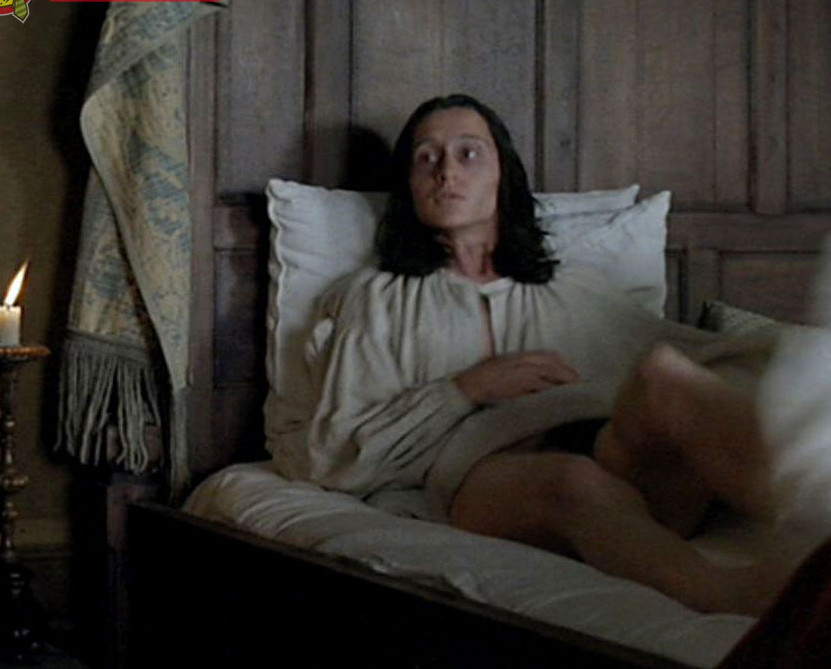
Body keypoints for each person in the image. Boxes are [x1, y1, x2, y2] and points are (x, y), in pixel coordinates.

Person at [274, 94, 780, 615]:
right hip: (481, 476)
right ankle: (727, 595)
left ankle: (827, 525)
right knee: (573, 481)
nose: (446, 171)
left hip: (613, 455)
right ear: (409, 185)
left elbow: (693, 350)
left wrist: (797, 352)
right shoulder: (377, 298)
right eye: (426, 158)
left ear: (503, 175)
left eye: (469, 153)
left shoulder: (569, 287)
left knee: (666, 374)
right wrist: (465, 389)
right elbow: (333, 453)